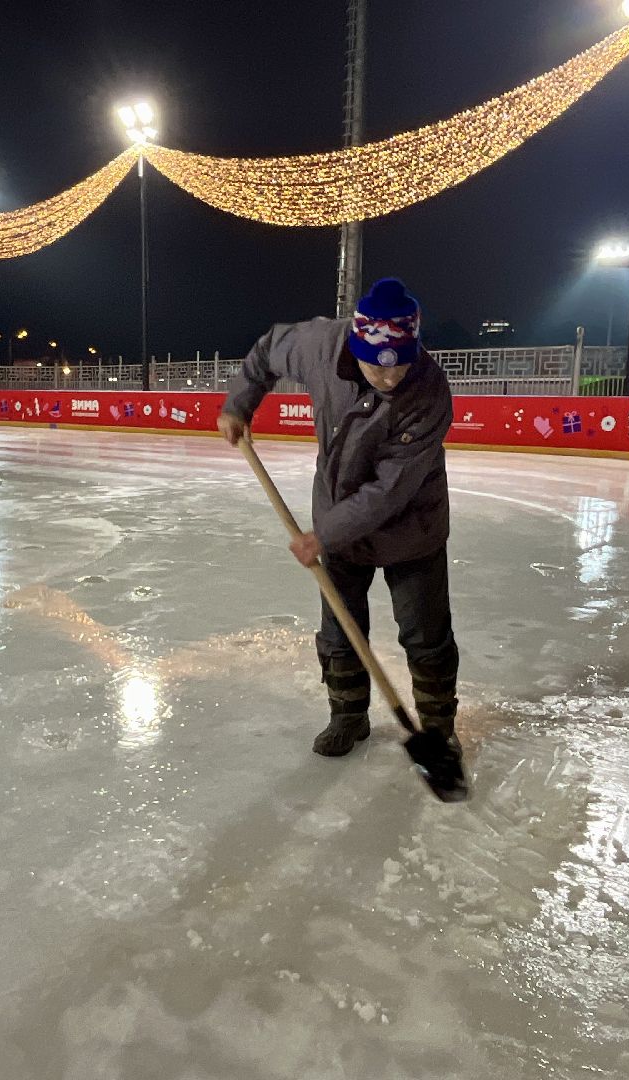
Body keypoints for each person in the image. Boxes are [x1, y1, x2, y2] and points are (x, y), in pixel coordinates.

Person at [217, 277, 465, 794]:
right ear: (356, 345)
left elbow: (388, 491)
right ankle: (348, 716)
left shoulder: (429, 391)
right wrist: (241, 404)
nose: (389, 375)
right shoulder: (318, 345)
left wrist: (321, 534)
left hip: (410, 529)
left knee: (425, 633)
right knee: (339, 631)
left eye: (399, 361)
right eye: (377, 363)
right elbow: (265, 352)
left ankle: (438, 732)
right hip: (338, 525)